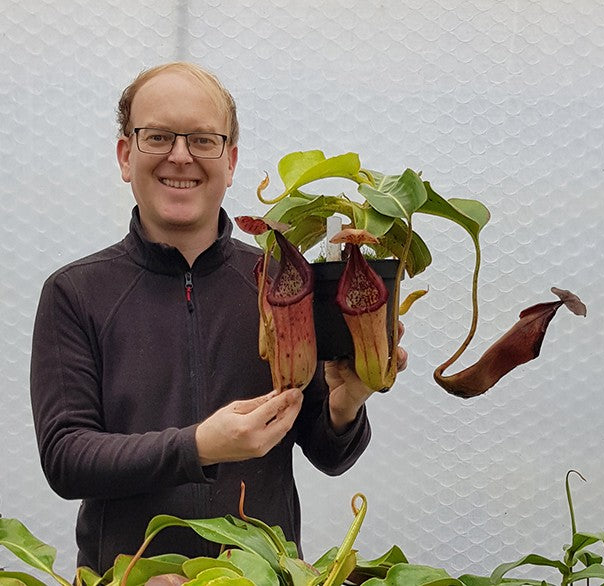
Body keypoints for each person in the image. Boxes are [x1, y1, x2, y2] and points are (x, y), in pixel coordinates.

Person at [30, 62, 407, 574]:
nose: (180, 156)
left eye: (204, 140)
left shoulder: (279, 283)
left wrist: (346, 403)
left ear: (230, 162)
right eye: (158, 136)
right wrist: (199, 447)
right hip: (131, 578)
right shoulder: (76, 293)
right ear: (125, 155)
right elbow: (67, 458)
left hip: (258, 575)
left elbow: (327, 453)